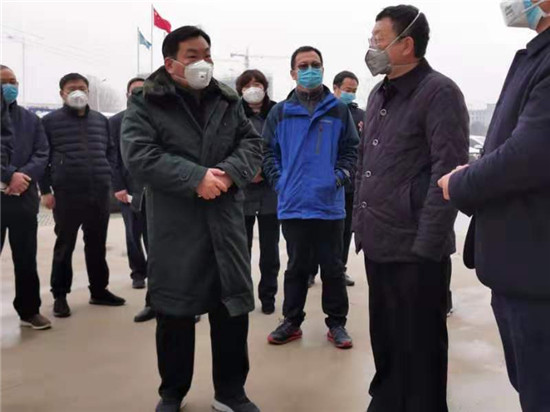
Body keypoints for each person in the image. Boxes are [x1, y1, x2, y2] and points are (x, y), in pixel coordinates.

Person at [120, 26, 262, 412]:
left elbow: (252, 143)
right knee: (174, 313)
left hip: (225, 219)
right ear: (171, 63)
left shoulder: (227, 99)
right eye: (193, 56)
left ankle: (230, 392)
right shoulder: (147, 102)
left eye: (207, 55)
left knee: (230, 310)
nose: (203, 63)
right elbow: (139, 155)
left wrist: (228, 174)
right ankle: (172, 392)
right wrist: (195, 177)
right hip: (175, 224)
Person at [353, 6, 469, 411]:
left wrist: (428, 244)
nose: (372, 47)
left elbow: (447, 171)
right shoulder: (378, 93)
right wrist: (360, 223)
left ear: (406, 44)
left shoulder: (439, 92)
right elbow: (365, 164)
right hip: (379, 240)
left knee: (421, 346)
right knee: (385, 337)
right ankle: (386, 399)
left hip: (417, 246)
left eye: (379, 39)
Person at [439, 1, 550, 410]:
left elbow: (529, 155)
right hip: (523, 266)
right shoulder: (537, 56)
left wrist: (460, 183)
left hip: (537, 269)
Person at [263, 46, 359, 349]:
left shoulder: (338, 110)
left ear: (323, 69)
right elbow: (267, 152)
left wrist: (338, 178)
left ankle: (337, 323)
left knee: (333, 268)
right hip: (293, 205)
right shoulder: (280, 112)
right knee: (296, 268)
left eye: (315, 64)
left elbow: (351, 151)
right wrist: (280, 181)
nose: (309, 70)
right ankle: (291, 321)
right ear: (293, 73)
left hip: (329, 205)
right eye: (303, 65)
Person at [39, 72, 125, 318]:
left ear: (88, 92)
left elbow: (110, 150)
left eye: (82, 88)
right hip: (67, 193)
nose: (78, 92)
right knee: (64, 245)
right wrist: (45, 191)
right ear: (62, 94)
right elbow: (43, 157)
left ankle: (99, 290)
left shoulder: (100, 120)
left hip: (98, 191)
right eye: (72, 88)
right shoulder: (50, 122)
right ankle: (60, 295)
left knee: (97, 244)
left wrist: (107, 173)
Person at [0, 65, 51, 330]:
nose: (9, 86)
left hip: (23, 198)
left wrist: (22, 178)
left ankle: (29, 310)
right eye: (3, 82)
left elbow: (42, 153)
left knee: (26, 258)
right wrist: (9, 175)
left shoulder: (30, 119)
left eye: (13, 81)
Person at [307, 71, 365, 289]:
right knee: (315, 228)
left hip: (350, 183)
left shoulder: (361, 116)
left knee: (344, 231)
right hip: (322, 182)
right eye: (347, 90)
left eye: (354, 91)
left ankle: (340, 269)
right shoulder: (323, 111)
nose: (351, 94)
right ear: (336, 88)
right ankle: (310, 270)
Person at [235, 69, 280, 315]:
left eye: (258, 84)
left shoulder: (277, 112)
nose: (253, 89)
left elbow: (283, 147)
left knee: (270, 250)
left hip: (270, 192)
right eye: (247, 85)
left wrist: (266, 171)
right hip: (241, 192)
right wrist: (246, 172)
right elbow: (227, 148)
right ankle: (243, 295)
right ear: (240, 90)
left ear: (265, 87)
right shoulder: (232, 113)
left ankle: (268, 295)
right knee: (241, 250)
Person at [109, 77, 148, 290]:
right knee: (133, 234)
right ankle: (138, 272)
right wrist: (118, 186)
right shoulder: (116, 122)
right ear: (127, 95)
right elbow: (112, 156)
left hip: (153, 187)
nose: (140, 95)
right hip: (128, 188)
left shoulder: (156, 119)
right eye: (135, 91)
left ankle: (157, 272)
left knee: (155, 235)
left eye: (144, 90)